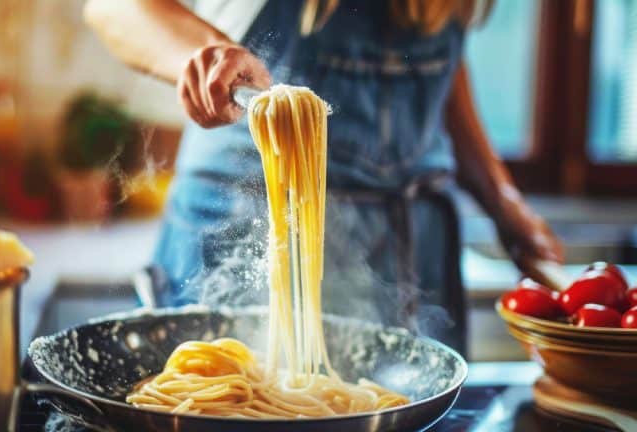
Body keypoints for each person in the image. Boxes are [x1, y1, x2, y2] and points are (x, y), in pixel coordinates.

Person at [85, 0, 563, 353]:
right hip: (251, 227)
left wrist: (504, 203)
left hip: (406, 245)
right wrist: (209, 53)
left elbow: (440, 66)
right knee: (230, 402)